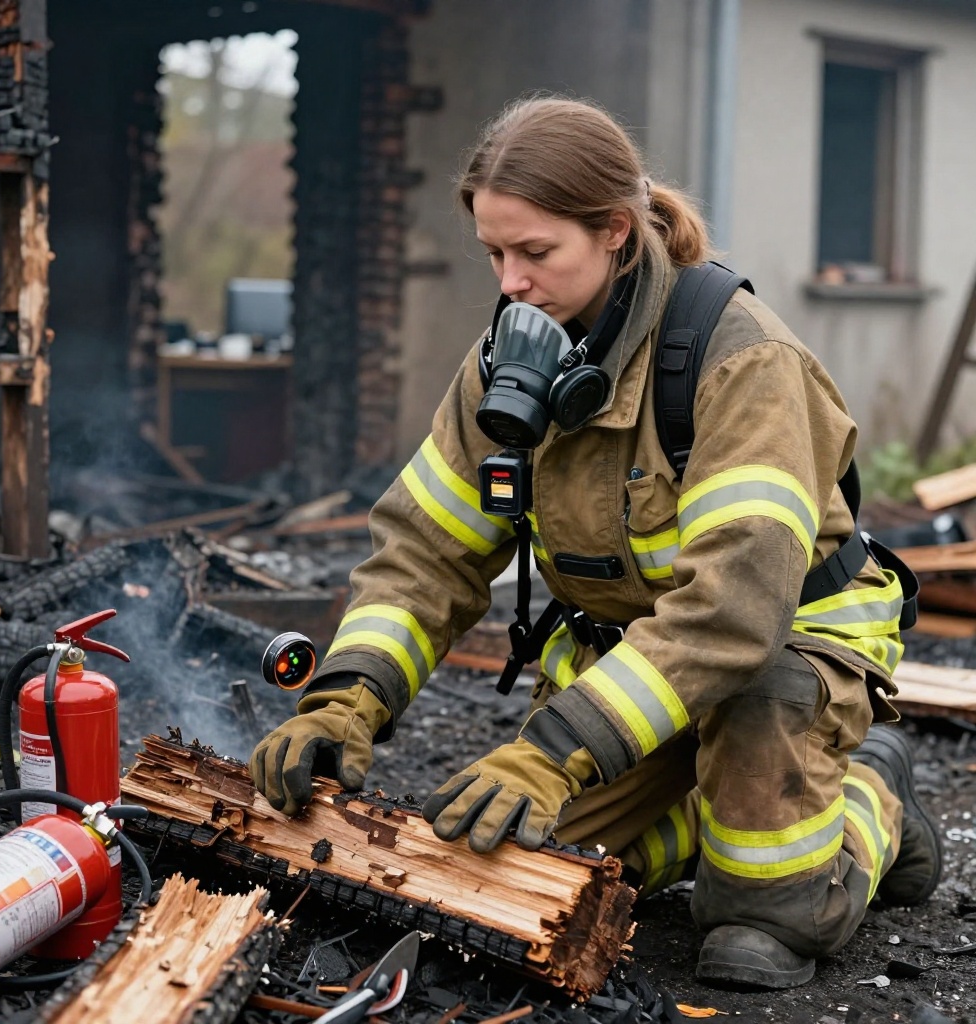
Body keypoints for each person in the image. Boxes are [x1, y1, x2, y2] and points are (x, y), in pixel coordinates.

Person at [251, 95, 942, 991]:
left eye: (536, 253)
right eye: (495, 254)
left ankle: (872, 805)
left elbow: (734, 608)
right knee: (515, 873)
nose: (510, 283)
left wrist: (555, 749)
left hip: (786, 642)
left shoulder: (742, 362)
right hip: (635, 663)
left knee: (757, 927)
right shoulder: (510, 362)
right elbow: (427, 553)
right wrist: (344, 701)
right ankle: (703, 814)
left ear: (616, 230)